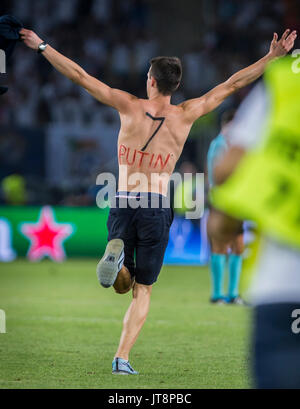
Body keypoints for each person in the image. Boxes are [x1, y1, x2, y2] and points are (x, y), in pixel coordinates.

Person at [20, 26, 297, 375]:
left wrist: (41, 45)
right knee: (143, 290)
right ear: (175, 85)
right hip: (154, 203)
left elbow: (80, 76)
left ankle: (117, 260)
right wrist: (272, 58)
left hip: (122, 200)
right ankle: (122, 357)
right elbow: (232, 84)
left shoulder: (128, 105)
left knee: (123, 284)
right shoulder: (186, 114)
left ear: (151, 81)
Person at [207, 54, 300, 388]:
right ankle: (223, 293)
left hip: (284, 284)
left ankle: (225, 293)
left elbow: (225, 171)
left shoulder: (286, 82)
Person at [207, 110, 244, 304]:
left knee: (238, 246)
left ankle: (233, 293)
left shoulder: (231, 146)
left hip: (234, 201)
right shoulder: (219, 145)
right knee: (221, 246)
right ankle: (217, 294)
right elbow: (218, 176)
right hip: (221, 201)